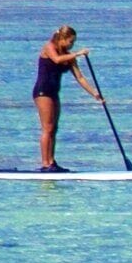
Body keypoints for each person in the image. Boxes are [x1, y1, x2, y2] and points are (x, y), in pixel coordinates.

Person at [32, 26, 103, 173]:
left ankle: (52, 162)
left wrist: (95, 94)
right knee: (47, 128)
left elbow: (80, 77)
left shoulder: (69, 56)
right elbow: (57, 60)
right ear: (62, 39)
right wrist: (78, 54)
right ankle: (45, 164)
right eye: (71, 42)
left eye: (73, 42)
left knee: (54, 129)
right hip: (42, 92)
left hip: (54, 92)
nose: (72, 45)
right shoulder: (49, 47)